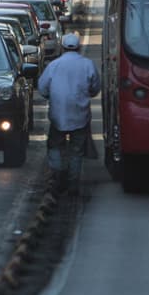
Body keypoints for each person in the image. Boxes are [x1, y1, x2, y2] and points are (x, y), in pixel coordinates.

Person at [37, 32, 101, 193]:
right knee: (76, 151)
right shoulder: (87, 64)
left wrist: (53, 96)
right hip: (80, 115)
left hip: (58, 115)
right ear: (79, 47)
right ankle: (73, 184)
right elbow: (95, 88)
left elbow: (42, 88)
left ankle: (57, 176)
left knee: (54, 145)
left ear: (63, 47)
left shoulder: (54, 65)